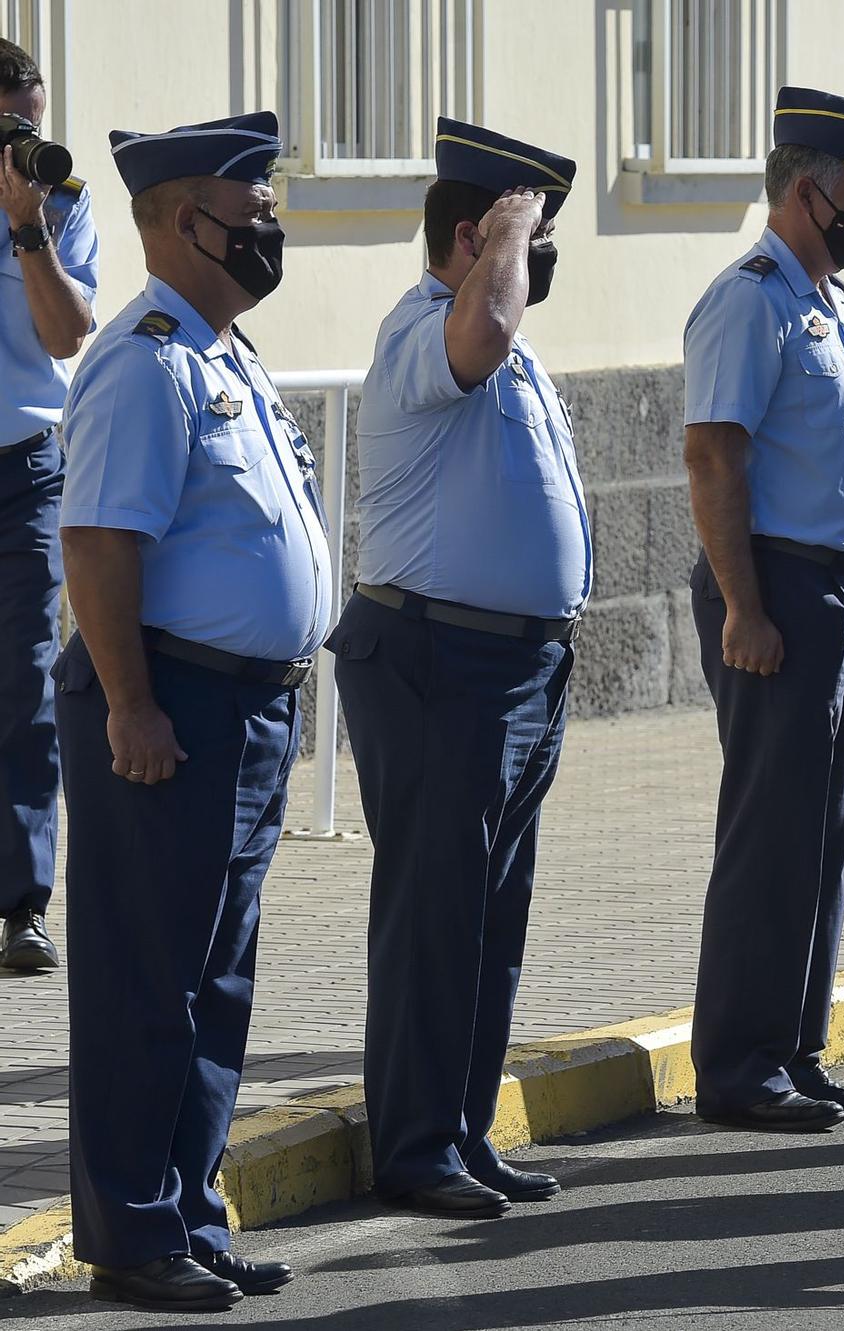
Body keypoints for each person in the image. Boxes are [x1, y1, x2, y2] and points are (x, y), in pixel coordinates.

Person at [58, 111, 326, 1312]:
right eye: (253, 209)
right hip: (168, 704)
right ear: (181, 221)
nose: (270, 226)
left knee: (215, 979)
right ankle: (129, 1231)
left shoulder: (226, 353)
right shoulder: (145, 357)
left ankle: (186, 1208)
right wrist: (128, 702)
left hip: (245, 709)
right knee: (144, 978)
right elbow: (100, 542)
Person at [330, 119, 586, 1220]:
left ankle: (462, 1128)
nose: (538, 259)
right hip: (438, 658)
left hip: (515, 666)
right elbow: (479, 331)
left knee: (491, 917)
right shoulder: (429, 328)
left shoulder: (500, 336)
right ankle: (416, 1143)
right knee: (436, 912)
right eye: (530, 235)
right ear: (474, 237)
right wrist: (507, 243)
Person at [682, 87, 844, 1133]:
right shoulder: (750, 298)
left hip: (837, 587)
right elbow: (712, 452)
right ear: (809, 192)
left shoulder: (826, 301)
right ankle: (736, 1062)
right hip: (774, 584)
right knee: (771, 828)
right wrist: (742, 605)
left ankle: (792, 1049)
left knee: (825, 830)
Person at [0, 38, 93, 973]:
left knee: (25, 683)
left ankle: (21, 906)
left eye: (32, 122)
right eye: (10, 126)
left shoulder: (61, 206)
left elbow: (68, 335)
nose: (27, 141)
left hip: (25, 467)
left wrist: (27, 229)